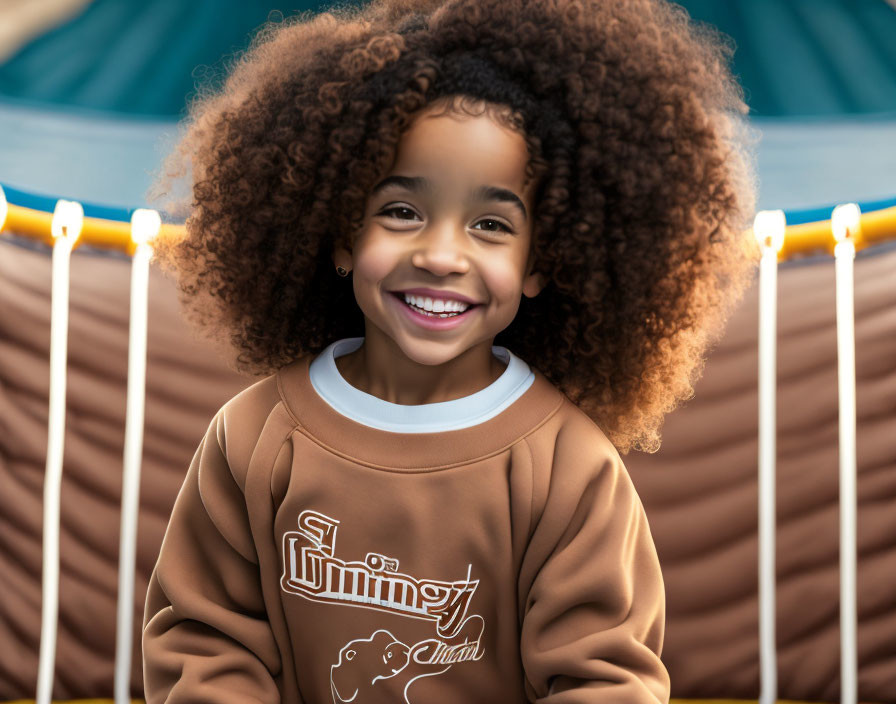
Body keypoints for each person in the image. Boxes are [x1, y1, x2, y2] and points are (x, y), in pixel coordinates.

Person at [142, 0, 759, 701]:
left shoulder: (567, 467)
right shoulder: (255, 437)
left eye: (491, 225)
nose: (441, 256)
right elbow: (205, 641)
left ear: (542, 263)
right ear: (341, 231)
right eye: (402, 212)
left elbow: (602, 678)